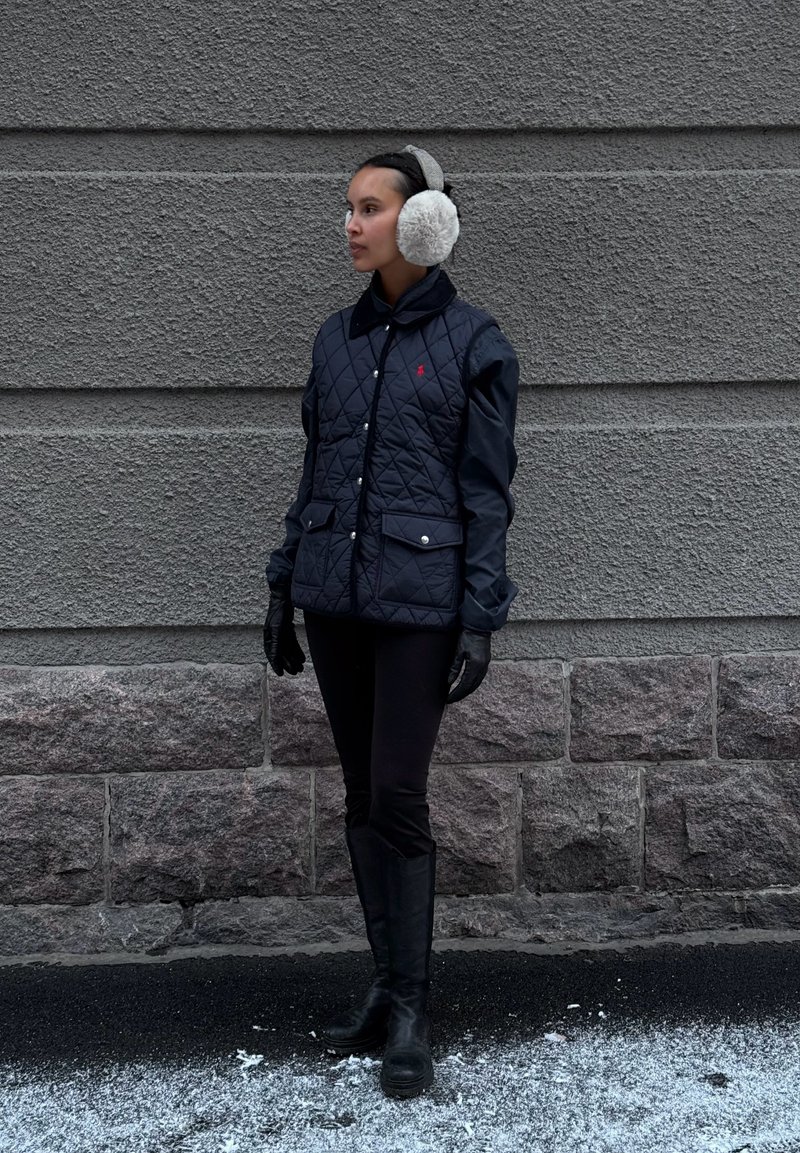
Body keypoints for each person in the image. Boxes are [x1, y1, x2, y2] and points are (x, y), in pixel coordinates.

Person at [263, 145, 519, 1099]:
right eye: (349, 207)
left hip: (422, 605)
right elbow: (314, 472)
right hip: (335, 599)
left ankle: (413, 1006)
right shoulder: (334, 339)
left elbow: (487, 494)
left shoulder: (479, 344)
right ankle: (381, 991)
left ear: (425, 225)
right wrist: (284, 586)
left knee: (400, 797)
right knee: (363, 798)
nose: (351, 223)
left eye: (369, 208)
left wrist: (479, 616)